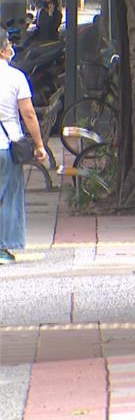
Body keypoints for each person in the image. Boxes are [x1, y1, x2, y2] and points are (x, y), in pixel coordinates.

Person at [0, 37, 48, 264]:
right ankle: (3, 248)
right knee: (9, 196)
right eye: (8, 44)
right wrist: (39, 145)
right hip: (7, 147)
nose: (11, 48)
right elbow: (28, 114)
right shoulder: (16, 77)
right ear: (2, 50)